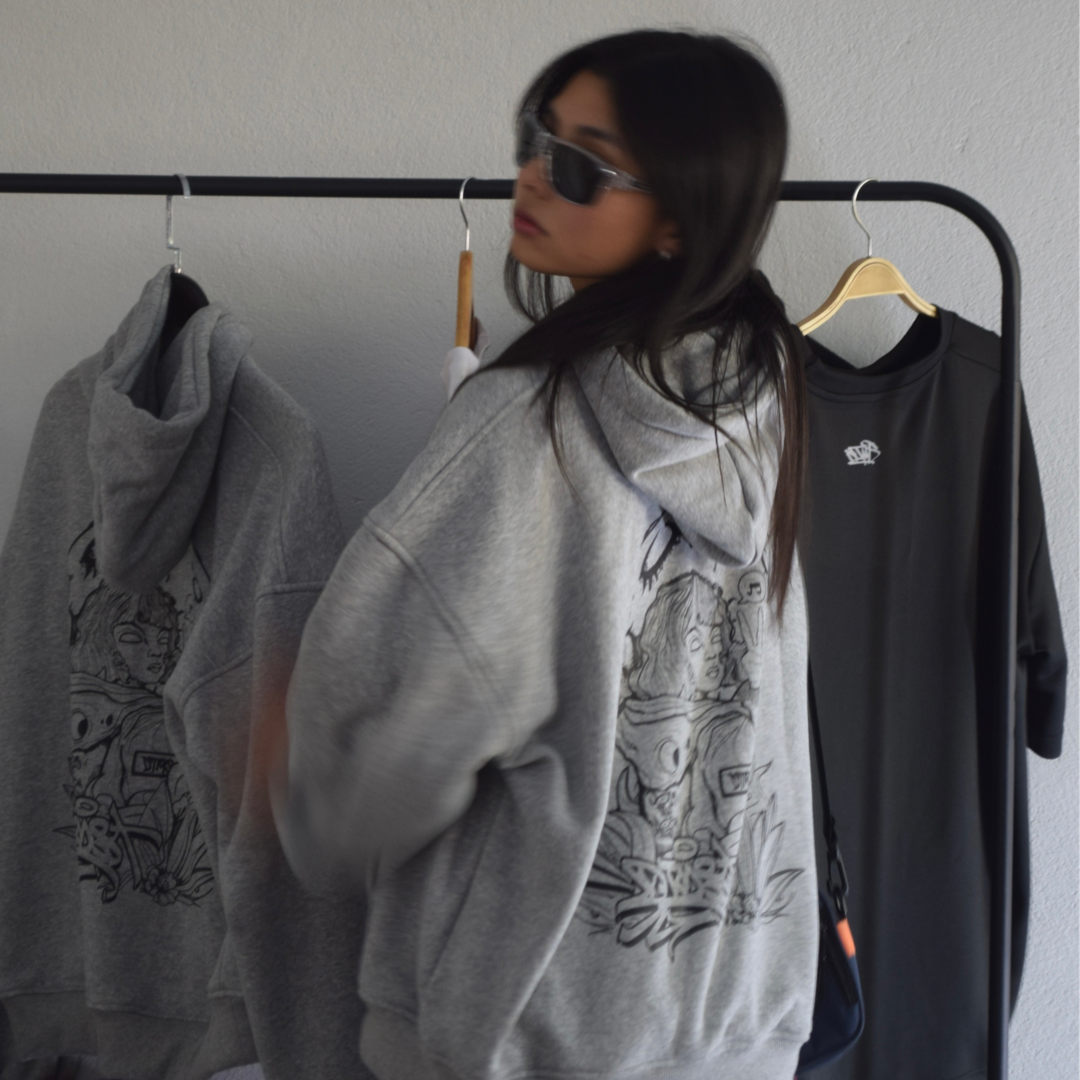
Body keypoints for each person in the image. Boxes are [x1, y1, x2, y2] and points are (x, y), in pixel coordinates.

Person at [271, 28, 817, 1080]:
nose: (531, 174)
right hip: (737, 1019)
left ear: (677, 219)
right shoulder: (766, 403)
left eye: (580, 166)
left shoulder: (524, 426)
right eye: (537, 138)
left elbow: (387, 758)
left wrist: (300, 785)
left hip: (527, 1033)